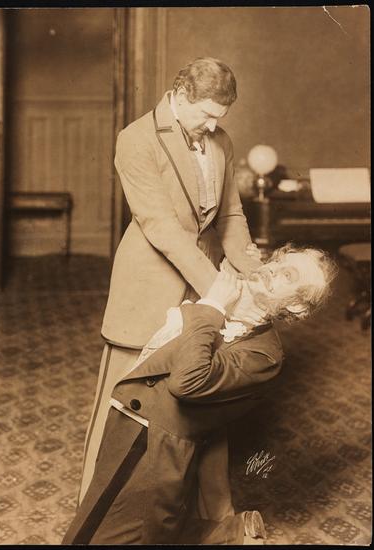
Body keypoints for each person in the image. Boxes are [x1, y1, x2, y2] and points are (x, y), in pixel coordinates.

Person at [78, 57, 266, 503]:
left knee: (201, 398)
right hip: (149, 286)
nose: (214, 125)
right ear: (181, 95)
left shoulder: (220, 140)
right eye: (207, 114)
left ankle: (209, 517)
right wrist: (219, 291)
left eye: (221, 116)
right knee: (122, 402)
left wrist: (253, 273)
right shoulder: (136, 138)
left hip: (202, 286)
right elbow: (161, 227)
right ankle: (93, 510)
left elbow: (231, 215)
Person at [63, 243, 337, 545]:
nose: (272, 268)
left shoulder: (264, 356)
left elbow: (188, 382)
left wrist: (213, 308)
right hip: (129, 417)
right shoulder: (226, 298)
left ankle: (231, 536)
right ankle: (233, 533)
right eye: (276, 260)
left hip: (157, 444)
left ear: (297, 306)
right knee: (96, 519)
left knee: (111, 536)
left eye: (287, 275)